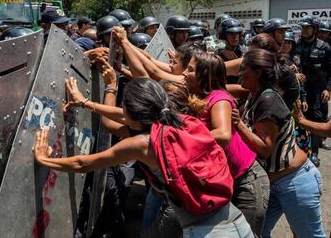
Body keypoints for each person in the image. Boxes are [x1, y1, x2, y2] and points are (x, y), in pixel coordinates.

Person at [35, 77, 253, 238]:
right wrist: (85, 102)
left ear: (134, 115)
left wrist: (44, 159)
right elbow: (123, 116)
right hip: (235, 220)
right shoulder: (182, 120)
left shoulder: (142, 145)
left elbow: (83, 163)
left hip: (207, 232)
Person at [231, 49, 325, 238]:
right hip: (272, 183)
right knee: (256, 233)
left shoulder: (268, 100)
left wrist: (239, 125)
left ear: (258, 73)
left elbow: (265, 149)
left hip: (294, 182)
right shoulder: (254, 94)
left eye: (244, 70)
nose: (240, 74)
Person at [183, 50, 269, 237]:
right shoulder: (197, 98)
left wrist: (183, 140)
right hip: (226, 182)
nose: (183, 73)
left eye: (189, 70)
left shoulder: (219, 99)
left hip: (247, 182)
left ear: (204, 75)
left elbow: (223, 134)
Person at [295, 15, 331, 166]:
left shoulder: (325, 47)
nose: (304, 30)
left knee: (317, 119)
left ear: (314, 29)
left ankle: (314, 151)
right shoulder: (297, 45)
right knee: (300, 119)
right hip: (301, 89)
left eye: (307, 28)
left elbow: (330, 71)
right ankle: (301, 149)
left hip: (318, 91)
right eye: (302, 27)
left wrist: (327, 89)